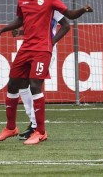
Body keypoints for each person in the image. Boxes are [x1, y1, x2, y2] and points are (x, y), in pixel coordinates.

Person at [0, 0, 92, 145]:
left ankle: (40, 131)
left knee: (35, 84)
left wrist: (82, 10)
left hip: (42, 49)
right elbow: (20, 20)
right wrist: (2, 30)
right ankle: (10, 128)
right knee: (13, 83)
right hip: (26, 47)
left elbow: (69, 17)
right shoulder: (22, 0)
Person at [11, 11, 70, 140]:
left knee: (35, 84)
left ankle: (35, 126)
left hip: (45, 50)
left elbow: (66, 25)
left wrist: (51, 42)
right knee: (22, 83)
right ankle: (33, 122)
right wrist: (20, 33)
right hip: (32, 48)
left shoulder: (52, 7)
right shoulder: (34, 6)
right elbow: (37, 31)